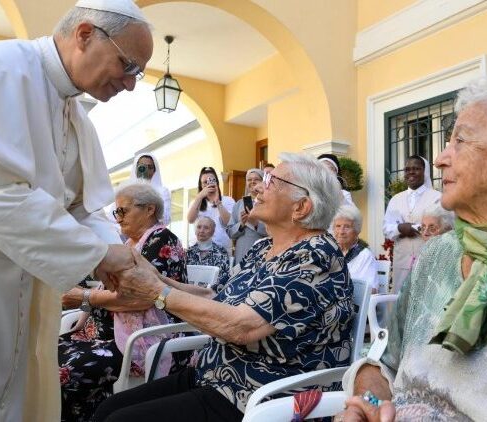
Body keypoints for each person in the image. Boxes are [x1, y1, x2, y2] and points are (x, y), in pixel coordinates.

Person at [0, 1, 153, 420]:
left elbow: (81, 207)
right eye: (127, 65)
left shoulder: (76, 115)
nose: (129, 84)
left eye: (137, 73)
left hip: (19, 283)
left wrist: (119, 255)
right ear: (85, 34)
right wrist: (99, 254)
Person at [339, 66, 487, 422]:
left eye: (460, 140)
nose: (441, 159)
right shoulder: (440, 254)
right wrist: (368, 404)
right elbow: (385, 362)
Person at [93, 152, 354, 422]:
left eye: (271, 181)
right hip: (214, 373)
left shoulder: (314, 254)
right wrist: (157, 278)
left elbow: (243, 327)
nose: (258, 187)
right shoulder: (264, 247)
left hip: (258, 394)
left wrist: (156, 292)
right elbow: (217, 297)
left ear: (301, 207)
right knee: (107, 409)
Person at [58, 183, 186, 421]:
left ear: (149, 209)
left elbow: (140, 297)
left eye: (122, 211)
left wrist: (84, 297)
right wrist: (85, 307)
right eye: (115, 212)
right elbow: (106, 289)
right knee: (46, 356)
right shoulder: (128, 245)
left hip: (140, 340)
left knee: (63, 371)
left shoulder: (162, 239)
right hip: (102, 335)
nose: (117, 218)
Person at [382, 155, 441, 293]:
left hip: (428, 259)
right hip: (402, 260)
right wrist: (400, 228)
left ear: (424, 171)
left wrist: (417, 228)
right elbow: (386, 228)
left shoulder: (437, 197)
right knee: (401, 298)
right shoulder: (395, 199)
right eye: (407, 169)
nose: (411, 172)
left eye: (416, 169)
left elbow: (444, 228)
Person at [186, 166, 235, 253]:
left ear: (217, 182)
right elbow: (190, 219)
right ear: (201, 185)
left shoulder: (228, 200)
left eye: (212, 180)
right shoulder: (196, 201)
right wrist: (200, 197)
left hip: (222, 250)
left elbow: (229, 222)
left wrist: (218, 202)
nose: (208, 184)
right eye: (205, 182)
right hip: (199, 249)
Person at [333, 205, 379, 293]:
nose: (341, 232)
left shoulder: (365, 255)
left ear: (357, 230)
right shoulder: (331, 252)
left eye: (347, 227)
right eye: (338, 226)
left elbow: (372, 290)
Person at [226, 168, 268, 264]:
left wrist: (256, 224)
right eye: (249, 179)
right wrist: (241, 224)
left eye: (256, 179)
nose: (252, 182)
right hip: (241, 254)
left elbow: (275, 231)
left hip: (262, 253)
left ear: (263, 182)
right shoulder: (238, 204)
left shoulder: (268, 203)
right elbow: (230, 232)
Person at [187, 216, 231, 288]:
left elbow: (223, 278)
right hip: (188, 291)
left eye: (206, 228)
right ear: (195, 231)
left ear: (213, 232)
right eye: (199, 227)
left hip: (211, 292)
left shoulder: (221, 252)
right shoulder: (188, 252)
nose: (201, 231)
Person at [128, 152, 172, 225]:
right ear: (136, 168)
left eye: (150, 167)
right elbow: (115, 218)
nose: (146, 170)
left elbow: (166, 219)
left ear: (154, 171)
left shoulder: (162, 192)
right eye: (142, 166)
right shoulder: (125, 192)